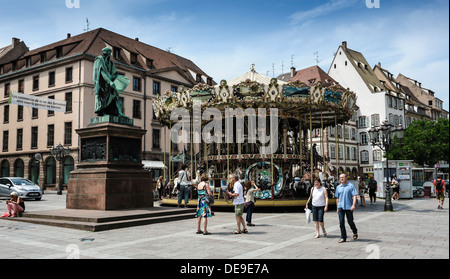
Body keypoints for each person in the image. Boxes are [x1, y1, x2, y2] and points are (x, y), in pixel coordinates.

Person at [93, 47, 129, 117]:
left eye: (110, 53)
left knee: (115, 96)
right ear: (105, 53)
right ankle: (104, 111)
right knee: (104, 98)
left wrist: (120, 78)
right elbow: (102, 72)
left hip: (110, 83)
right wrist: (109, 82)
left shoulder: (111, 63)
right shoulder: (99, 60)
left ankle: (119, 113)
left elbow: (114, 73)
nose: (109, 54)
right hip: (102, 84)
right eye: (108, 53)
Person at [335, 173, 358, 243]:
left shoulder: (350, 186)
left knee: (350, 221)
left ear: (346, 178)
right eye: (340, 178)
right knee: (341, 222)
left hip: (349, 207)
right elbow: (337, 198)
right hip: (340, 207)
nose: (341, 179)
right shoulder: (338, 187)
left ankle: (355, 231)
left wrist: (353, 205)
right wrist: (337, 207)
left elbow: (354, 196)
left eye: (343, 177)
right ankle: (343, 237)